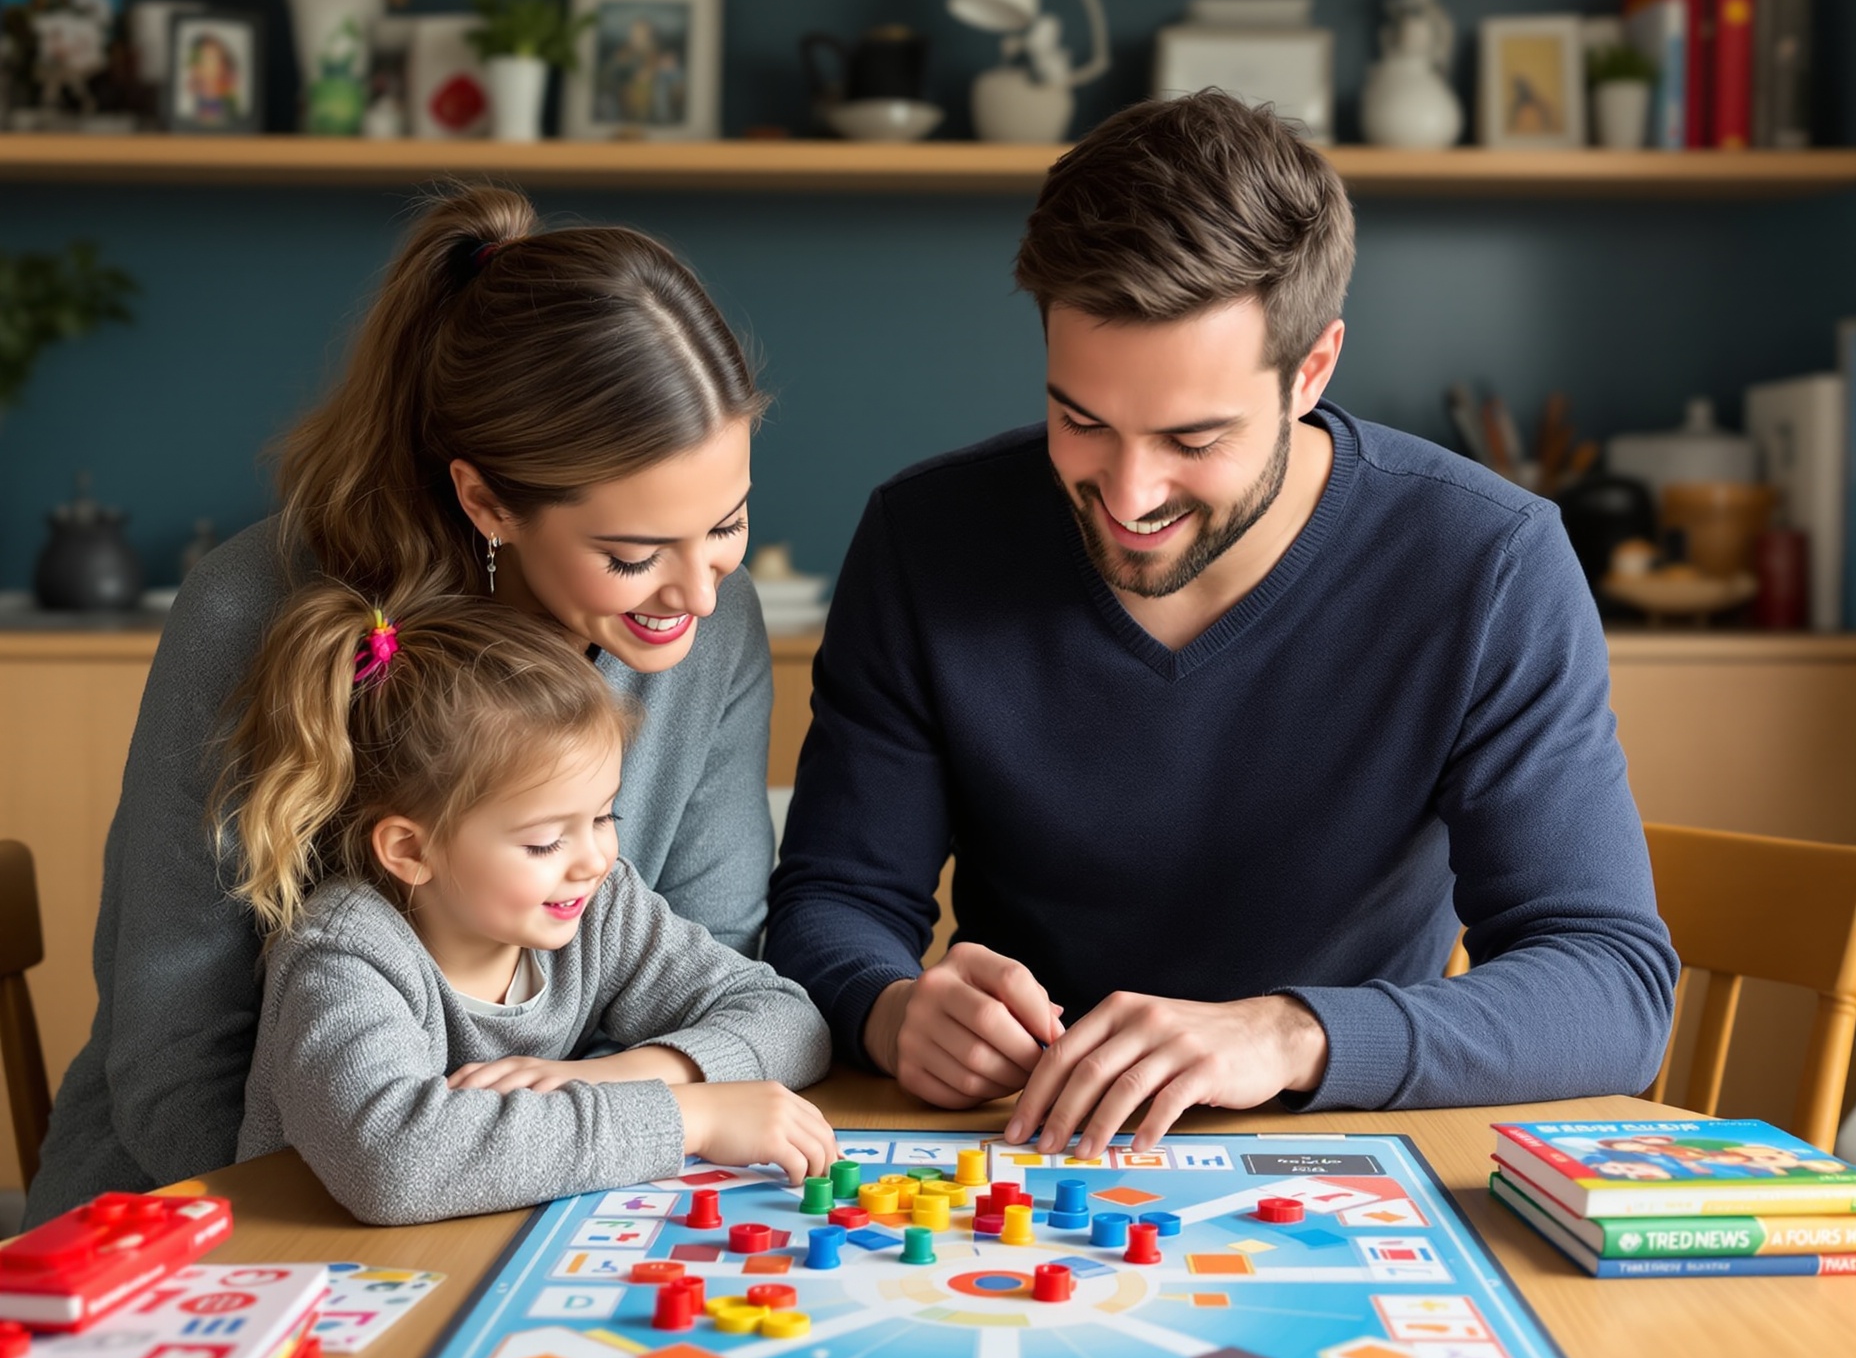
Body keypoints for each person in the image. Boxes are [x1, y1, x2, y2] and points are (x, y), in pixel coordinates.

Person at [766, 91, 1677, 1153]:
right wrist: (888, 1005)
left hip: (1339, 1152)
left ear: (1312, 370)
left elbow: (1610, 984)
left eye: (1193, 437)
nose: (1127, 492)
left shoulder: (1485, 563)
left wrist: (1288, 1036)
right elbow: (831, 899)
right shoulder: (925, 540)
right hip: (1015, 1150)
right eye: (1080, 419)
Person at [31, 183, 778, 1218]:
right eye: (632, 554)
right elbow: (176, 1068)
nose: (699, 594)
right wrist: (426, 1194)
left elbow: (732, 991)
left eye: (729, 525)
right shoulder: (255, 611)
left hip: (551, 1192)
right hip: (232, 1207)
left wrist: (602, 1101)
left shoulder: (710, 622)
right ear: (485, 501)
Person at [228, 585, 834, 1221]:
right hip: (309, 1277)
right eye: (545, 842)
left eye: (604, 816)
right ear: (411, 850)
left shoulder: (598, 906)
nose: (595, 859)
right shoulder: (343, 956)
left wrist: (629, 1072)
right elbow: (396, 1165)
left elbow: (792, 1021)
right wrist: (691, 1116)